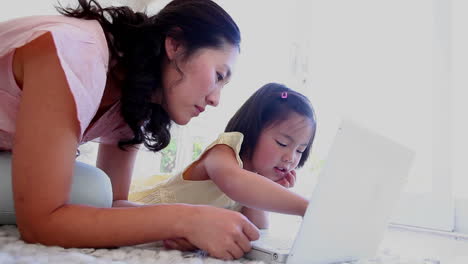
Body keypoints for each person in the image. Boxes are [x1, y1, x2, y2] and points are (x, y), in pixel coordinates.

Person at [0, 0, 260, 260]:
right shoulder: (77, 53)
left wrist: (185, 224)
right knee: (91, 189)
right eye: (218, 76)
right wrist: (184, 219)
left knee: (96, 191)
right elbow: (40, 223)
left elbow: (115, 201)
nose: (216, 99)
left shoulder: (136, 100)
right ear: (175, 44)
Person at [130, 82, 316, 251]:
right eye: (282, 143)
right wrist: (307, 207)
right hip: (135, 214)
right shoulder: (223, 152)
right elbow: (235, 183)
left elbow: (257, 229)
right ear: (253, 130)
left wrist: (267, 185)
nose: (290, 158)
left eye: (300, 150)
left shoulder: (250, 187)